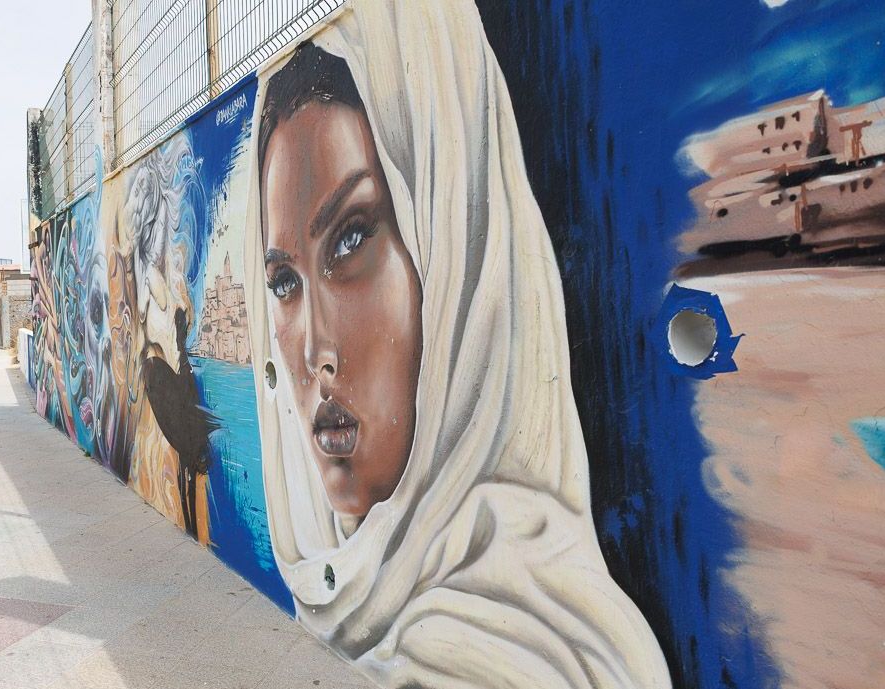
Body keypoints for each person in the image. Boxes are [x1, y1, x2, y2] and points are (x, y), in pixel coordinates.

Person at [245, 3, 671, 688]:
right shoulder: (342, 584)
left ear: (457, 254)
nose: (314, 351)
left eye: (351, 239)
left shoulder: (526, 653)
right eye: (283, 280)